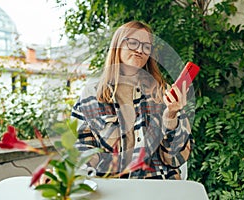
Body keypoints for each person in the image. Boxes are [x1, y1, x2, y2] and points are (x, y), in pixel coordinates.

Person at [71, 20, 194, 180]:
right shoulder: (92, 94)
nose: (140, 50)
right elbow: (82, 148)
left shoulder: (163, 93)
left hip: (158, 186)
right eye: (133, 42)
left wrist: (171, 116)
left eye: (146, 46)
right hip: (113, 188)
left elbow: (174, 158)